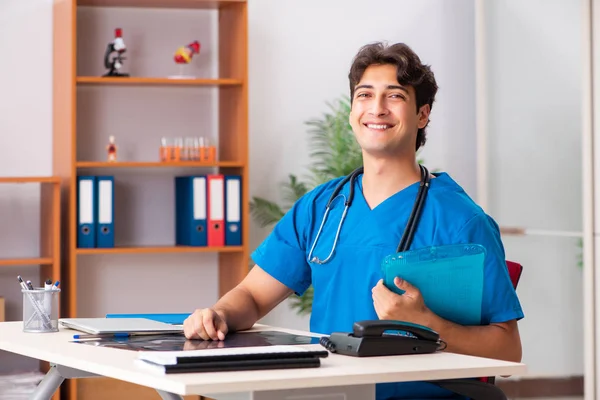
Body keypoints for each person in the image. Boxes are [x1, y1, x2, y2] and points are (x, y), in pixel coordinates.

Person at [183, 42, 524, 399]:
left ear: (422, 115)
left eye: (394, 96)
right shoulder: (322, 206)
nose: (377, 108)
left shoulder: (461, 220)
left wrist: (427, 323)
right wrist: (219, 314)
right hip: (333, 392)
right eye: (365, 95)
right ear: (352, 111)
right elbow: (252, 296)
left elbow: (507, 348)